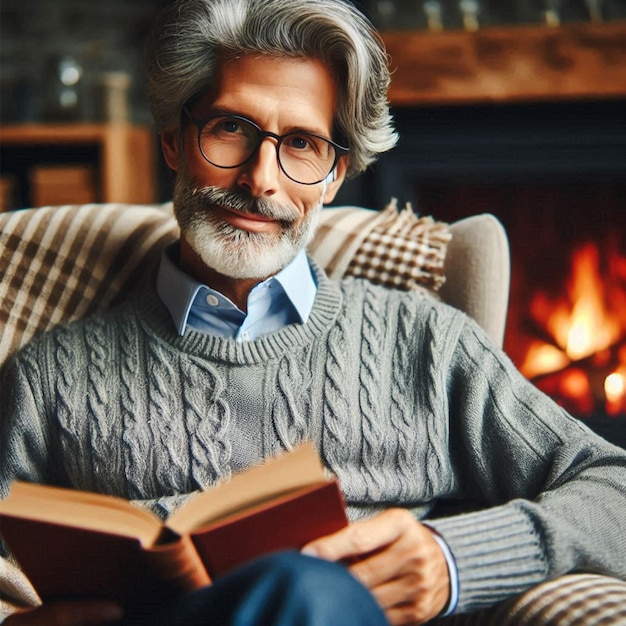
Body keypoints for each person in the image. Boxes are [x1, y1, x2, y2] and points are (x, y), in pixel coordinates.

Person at [1, 0, 625, 624]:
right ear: (174, 141)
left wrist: (454, 559)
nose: (259, 179)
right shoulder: (48, 376)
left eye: (300, 144)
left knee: (306, 589)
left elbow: (613, 488)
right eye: (229, 129)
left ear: (335, 176)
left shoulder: (429, 346)